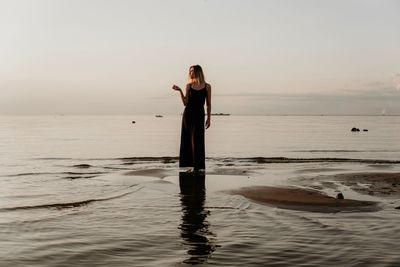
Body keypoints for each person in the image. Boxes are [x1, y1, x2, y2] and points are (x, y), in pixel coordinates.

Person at [172, 65, 212, 171]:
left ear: (198, 72)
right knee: (187, 140)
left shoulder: (207, 86)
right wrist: (180, 90)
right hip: (188, 115)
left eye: (192, 71)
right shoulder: (188, 86)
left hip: (199, 114)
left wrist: (209, 118)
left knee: (198, 140)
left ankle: (198, 167)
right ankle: (188, 166)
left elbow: (208, 104)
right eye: (189, 71)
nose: (190, 73)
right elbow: (185, 103)